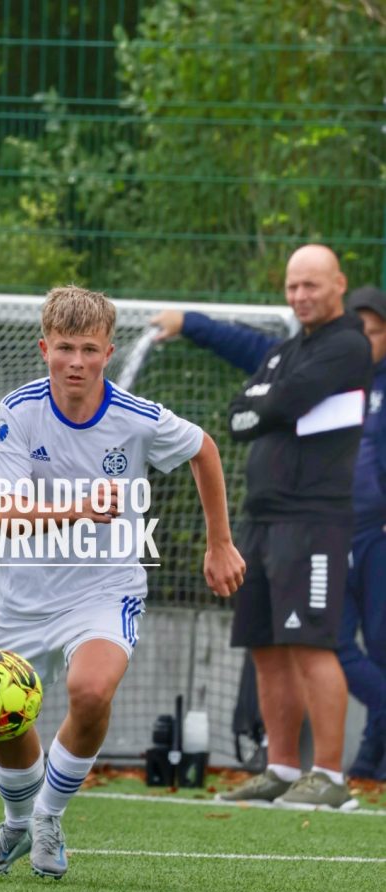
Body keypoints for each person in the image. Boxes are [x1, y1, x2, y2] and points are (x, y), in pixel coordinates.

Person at [0, 285, 245, 878]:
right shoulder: (18, 411)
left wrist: (219, 543)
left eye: (89, 349)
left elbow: (204, 448)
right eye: (65, 348)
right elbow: (8, 515)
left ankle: (48, 818)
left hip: (105, 591)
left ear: (108, 354)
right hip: (25, 600)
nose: (76, 362)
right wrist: (78, 509)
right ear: (44, 348)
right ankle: (16, 824)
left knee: (91, 692)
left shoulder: (135, 418)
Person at [151, 245, 375, 808]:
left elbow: (276, 406)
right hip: (262, 519)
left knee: (311, 644)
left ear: (339, 284)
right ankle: (280, 767)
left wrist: (267, 405)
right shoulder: (286, 349)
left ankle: (330, 778)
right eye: (293, 286)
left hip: (313, 519)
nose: (300, 296)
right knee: (265, 645)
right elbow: (240, 412)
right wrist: (266, 404)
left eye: (311, 285)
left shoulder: (349, 345)